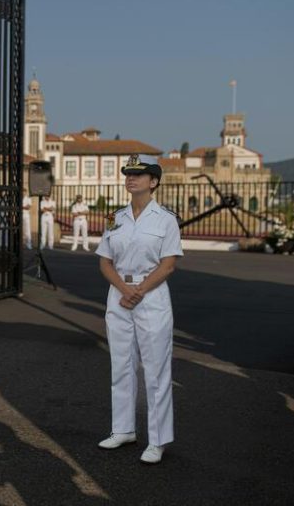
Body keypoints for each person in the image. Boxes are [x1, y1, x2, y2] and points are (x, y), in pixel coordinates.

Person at [95, 154, 183, 464]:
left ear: (154, 181)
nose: (130, 178)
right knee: (121, 365)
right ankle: (123, 430)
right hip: (119, 295)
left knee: (156, 370)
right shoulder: (115, 217)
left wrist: (139, 291)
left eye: (138, 174)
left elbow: (168, 264)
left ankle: (157, 440)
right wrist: (124, 289)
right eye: (128, 174)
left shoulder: (166, 219)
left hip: (151, 297)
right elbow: (105, 262)